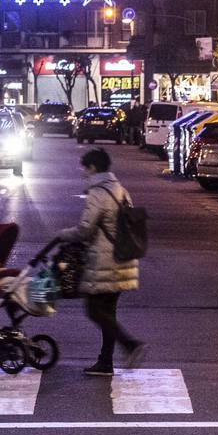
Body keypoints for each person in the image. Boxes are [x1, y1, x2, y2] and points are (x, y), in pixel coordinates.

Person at [58, 147, 144, 376]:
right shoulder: (121, 190)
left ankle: (130, 344)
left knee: (94, 310)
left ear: (93, 167)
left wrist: (62, 234)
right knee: (108, 312)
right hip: (124, 257)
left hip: (106, 261)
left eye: (84, 168)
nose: (83, 173)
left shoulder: (98, 193)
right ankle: (105, 362)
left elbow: (85, 230)